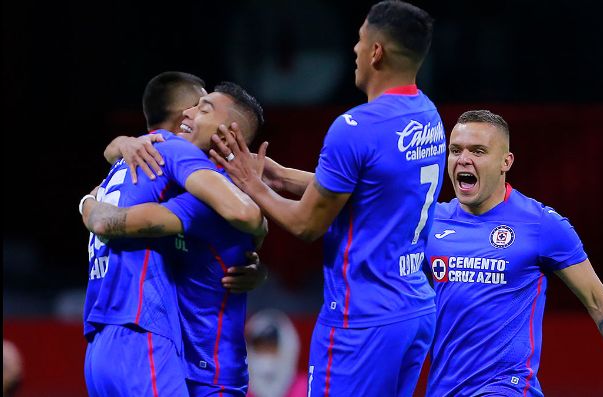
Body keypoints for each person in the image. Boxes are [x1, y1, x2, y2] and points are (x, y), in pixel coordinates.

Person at [213, 2, 445, 396]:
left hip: (362, 318)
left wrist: (253, 185)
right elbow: (365, 189)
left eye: (359, 40)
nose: (353, 50)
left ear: (376, 52)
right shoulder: (427, 115)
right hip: (414, 310)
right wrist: (278, 174)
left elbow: (307, 224)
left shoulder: (355, 128)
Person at [423, 110, 603, 397]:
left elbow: (597, 299)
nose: (464, 159)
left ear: (506, 162)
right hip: (443, 388)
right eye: (455, 150)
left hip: (506, 388)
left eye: (478, 151)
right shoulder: (429, 223)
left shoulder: (541, 224)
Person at [79, 80, 267, 397]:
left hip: (210, 375)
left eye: (202, 108)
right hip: (169, 357)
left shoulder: (208, 192)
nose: (189, 112)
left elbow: (249, 214)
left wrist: (259, 232)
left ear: (228, 133)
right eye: (193, 104)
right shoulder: (173, 177)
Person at [245, 310, 307, 397]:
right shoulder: (239, 388)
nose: (266, 354)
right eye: (260, 347)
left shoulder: (306, 387)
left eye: (271, 347)